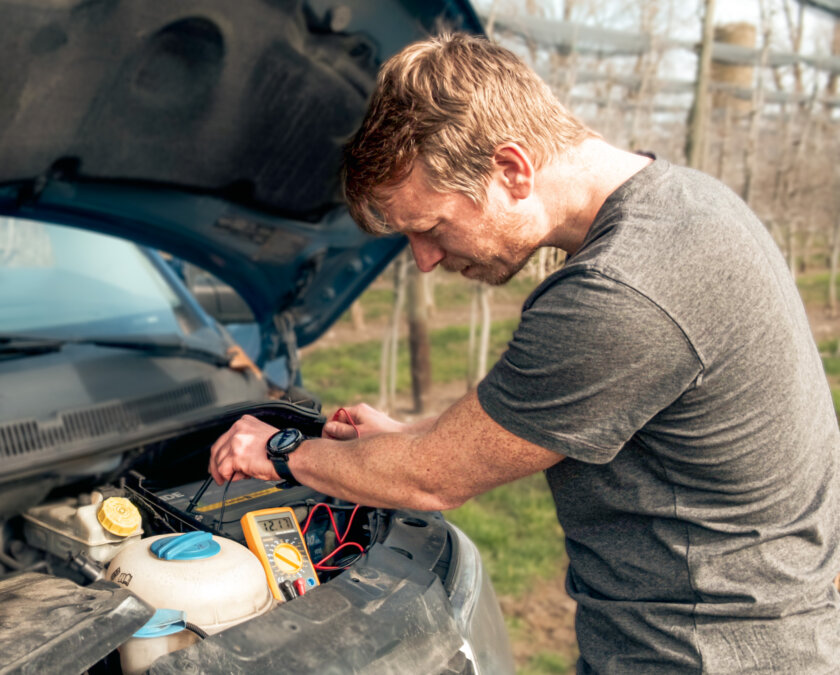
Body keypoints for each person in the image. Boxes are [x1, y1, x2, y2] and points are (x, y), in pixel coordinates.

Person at [208, 33, 840, 673]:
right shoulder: (686, 207)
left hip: (701, 656)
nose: (425, 262)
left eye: (429, 229)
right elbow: (568, 418)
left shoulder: (620, 290)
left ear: (511, 169)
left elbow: (430, 478)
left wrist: (280, 453)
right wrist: (409, 434)